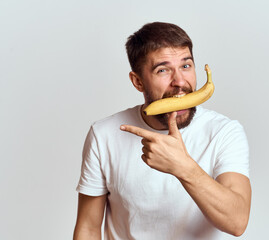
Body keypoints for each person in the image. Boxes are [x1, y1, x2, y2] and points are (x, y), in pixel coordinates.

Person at [73, 22, 251, 240]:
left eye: (186, 66)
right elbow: (89, 228)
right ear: (138, 81)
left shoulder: (224, 132)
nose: (179, 82)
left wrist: (183, 167)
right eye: (163, 70)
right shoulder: (103, 134)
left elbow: (237, 221)